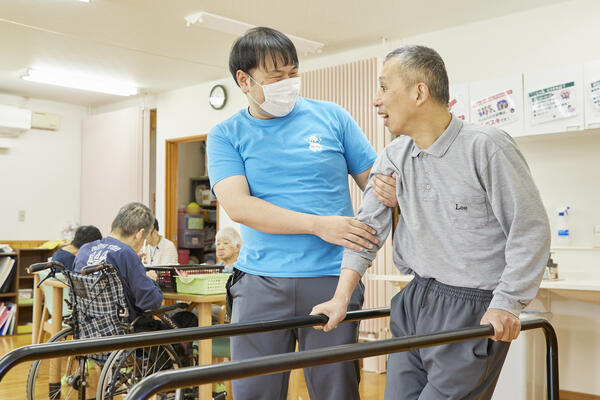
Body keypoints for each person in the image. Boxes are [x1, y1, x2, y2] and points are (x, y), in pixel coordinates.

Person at [312, 45, 551, 400]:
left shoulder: (485, 147)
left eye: (383, 87)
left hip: (471, 305)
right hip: (415, 299)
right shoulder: (393, 156)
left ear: (419, 92)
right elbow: (368, 230)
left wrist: (507, 303)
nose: (376, 101)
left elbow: (530, 230)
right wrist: (340, 298)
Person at [207, 27, 395, 400]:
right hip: (261, 282)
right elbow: (239, 206)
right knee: (254, 391)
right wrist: (318, 225)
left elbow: (374, 185)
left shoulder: (333, 118)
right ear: (244, 80)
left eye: (293, 73)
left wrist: (389, 190)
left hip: (331, 279)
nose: (288, 83)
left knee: (336, 391)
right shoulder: (226, 134)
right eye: (276, 77)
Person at [74, 202, 163, 323]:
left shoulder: (84, 249)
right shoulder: (126, 254)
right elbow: (149, 302)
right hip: (124, 330)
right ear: (139, 234)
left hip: (89, 328)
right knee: (186, 319)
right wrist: (152, 280)